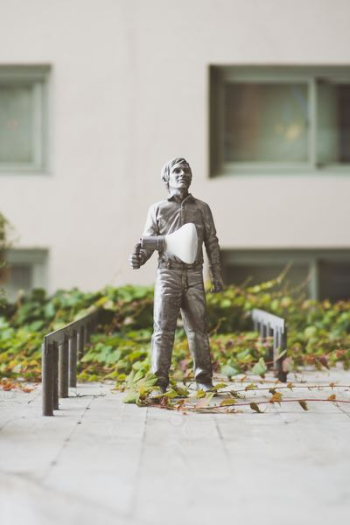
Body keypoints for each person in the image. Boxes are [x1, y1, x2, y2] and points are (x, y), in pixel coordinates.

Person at [129, 158, 224, 392]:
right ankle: (159, 381)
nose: (182, 174)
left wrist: (216, 273)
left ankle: (203, 380)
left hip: (194, 275)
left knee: (198, 330)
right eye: (177, 171)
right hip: (167, 274)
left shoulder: (202, 208)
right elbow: (148, 243)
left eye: (186, 170)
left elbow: (211, 242)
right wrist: (138, 258)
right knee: (162, 329)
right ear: (167, 178)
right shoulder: (158, 209)